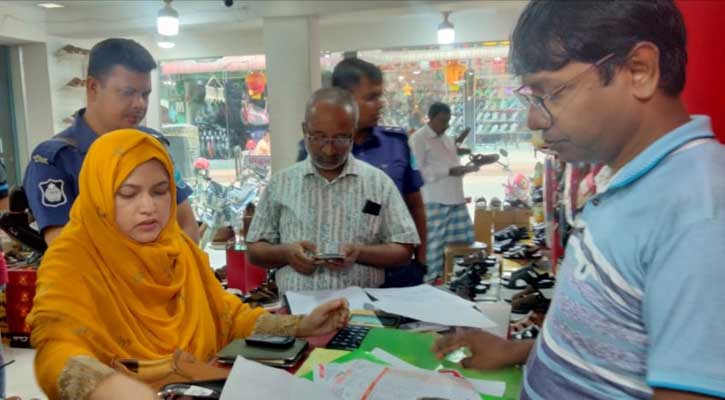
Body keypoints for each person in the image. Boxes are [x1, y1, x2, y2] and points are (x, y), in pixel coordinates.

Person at [433, 1, 725, 399]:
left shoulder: (698, 215)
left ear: (639, 70)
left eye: (549, 92)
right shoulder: (630, 179)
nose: (533, 121)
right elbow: (613, 340)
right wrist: (517, 351)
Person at [27, 129, 349, 400]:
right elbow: (54, 345)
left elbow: (228, 316)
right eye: (128, 194)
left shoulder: (178, 248)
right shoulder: (72, 258)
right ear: (99, 195)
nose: (148, 207)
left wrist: (300, 326)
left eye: (160, 191)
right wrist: (106, 386)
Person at [22, 38, 200, 245]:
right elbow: (64, 245)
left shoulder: (151, 145)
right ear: (93, 87)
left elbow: (187, 223)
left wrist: (171, 270)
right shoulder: (54, 160)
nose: (139, 104)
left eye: (145, 94)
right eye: (128, 93)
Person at [247, 87, 420, 293]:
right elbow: (255, 250)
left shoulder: (378, 184)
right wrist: (286, 254)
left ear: (353, 132)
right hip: (296, 314)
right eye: (318, 137)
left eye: (340, 138)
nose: (329, 150)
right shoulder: (281, 184)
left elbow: (404, 249)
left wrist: (360, 253)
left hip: (361, 312)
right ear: (305, 130)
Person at [299, 58, 427, 287]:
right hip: (338, 279)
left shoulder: (396, 144)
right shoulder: (314, 150)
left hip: (397, 275)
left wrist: (421, 262)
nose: (380, 104)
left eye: (380, 95)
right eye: (370, 97)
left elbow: (415, 205)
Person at [410, 102, 478, 281]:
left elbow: (450, 163)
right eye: (442, 120)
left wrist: (466, 168)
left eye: (448, 121)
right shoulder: (419, 138)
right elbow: (418, 171)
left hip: (455, 198)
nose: (446, 125)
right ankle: (429, 282)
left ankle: (452, 278)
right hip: (434, 199)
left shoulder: (447, 139)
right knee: (433, 246)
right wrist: (448, 171)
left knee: (460, 242)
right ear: (430, 118)